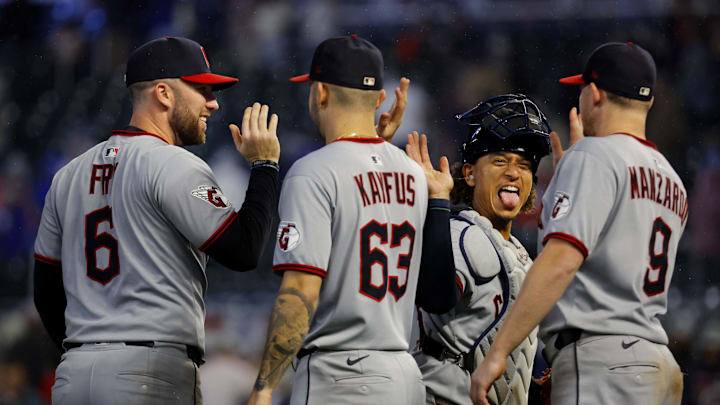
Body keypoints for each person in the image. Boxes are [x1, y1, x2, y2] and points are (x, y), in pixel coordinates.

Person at [32, 36, 281, 405]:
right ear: (164, 94)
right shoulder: (172, 163)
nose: (213, 103)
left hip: (75, 375)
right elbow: (243, 251)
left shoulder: (68, 174)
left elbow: (46, 293)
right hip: (147, 372)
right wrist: (264, 167)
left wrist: (85, 350)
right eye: (201, 89)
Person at [470, 42, 687, 405]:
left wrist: (499, 353)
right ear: (648, 102)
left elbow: (561, 262)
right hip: (657, 363)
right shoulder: (671, 179)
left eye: (582, 89)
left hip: (605, 362)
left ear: (596, 94)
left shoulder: (594, 156)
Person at [246, 35, 458, 405]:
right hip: (405, 374)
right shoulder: (413, 173)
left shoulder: (312, 172)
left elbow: (300, 293)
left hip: (340, 376)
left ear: (321, 93)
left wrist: (264, 388)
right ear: (379, 100)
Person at [412, 94, 552, 405]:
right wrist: (438, 202)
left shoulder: (517, 252)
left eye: (524, 164)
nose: (514, 172)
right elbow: (435, 297)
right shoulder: (462, 234)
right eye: (500, 160)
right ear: (470, 173)